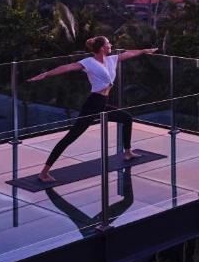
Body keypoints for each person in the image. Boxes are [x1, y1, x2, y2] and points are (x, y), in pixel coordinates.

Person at [27, 36, 158, 183]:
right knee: (70, 137)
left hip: (102, 103)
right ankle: (44, 172)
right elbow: (67, 68)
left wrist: (145, 50)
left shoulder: (111, 60)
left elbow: (129, 54)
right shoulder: (88, 62)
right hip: (93, 104)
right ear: (102, 48)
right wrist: (45, 74)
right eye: (108, 43)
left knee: (126, 118)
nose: (111, 45)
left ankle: (127, 152)